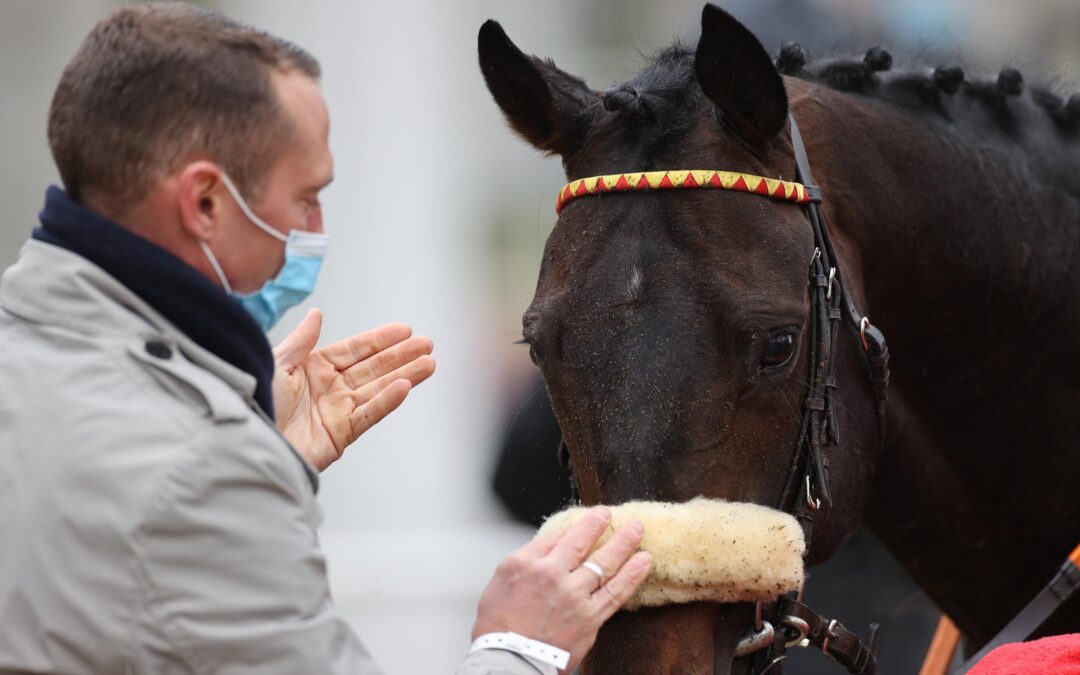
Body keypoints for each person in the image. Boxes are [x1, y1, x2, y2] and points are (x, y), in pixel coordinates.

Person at [0, 4, 651, 674]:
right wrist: (519, 645)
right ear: (204, 203)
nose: (317, 225)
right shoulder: (201, 472)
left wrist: (253, 446)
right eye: (307, 196)